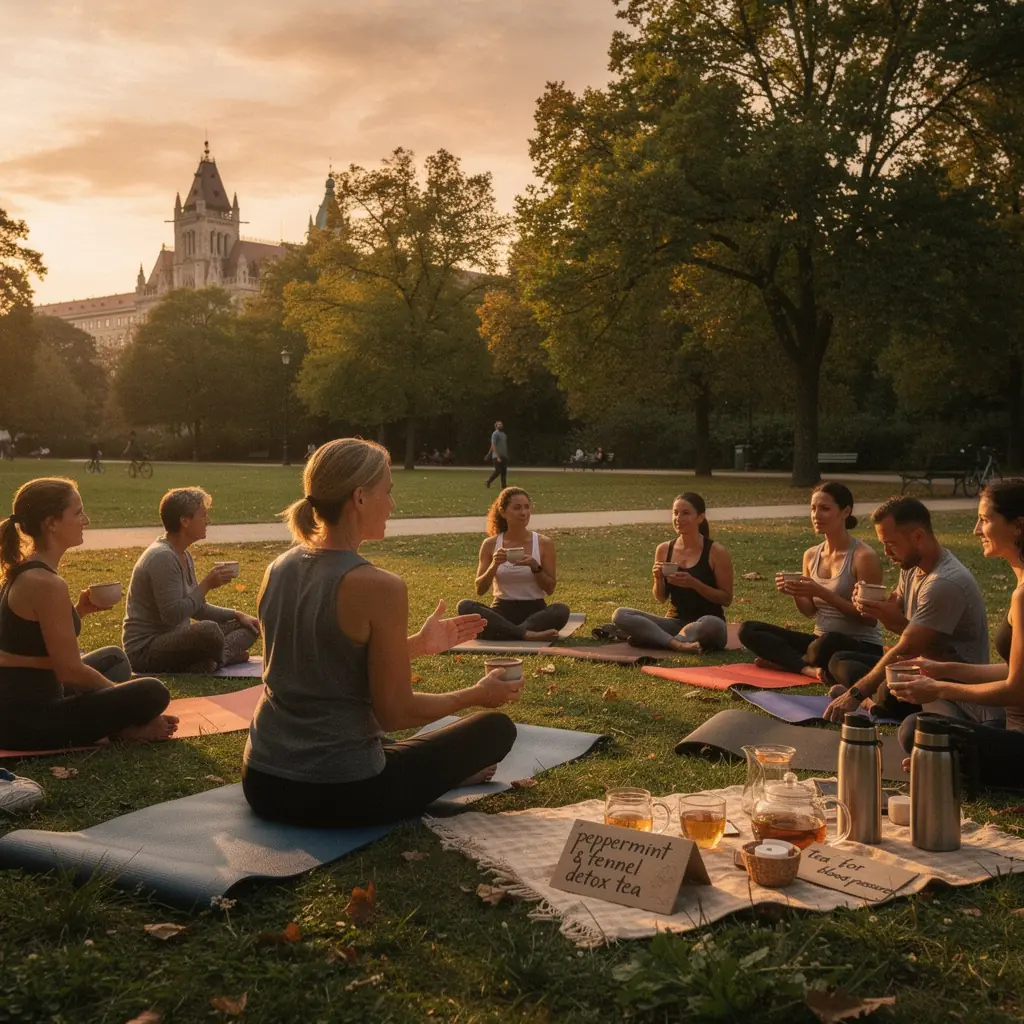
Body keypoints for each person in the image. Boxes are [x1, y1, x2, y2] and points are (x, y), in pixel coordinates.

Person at [242, 438, 518, 828]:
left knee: (398, 745)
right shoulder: (379, 586)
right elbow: (395, 713)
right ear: (359, 498)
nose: (392, 504)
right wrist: (478, 694)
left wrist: (418, 646)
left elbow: (320, 665)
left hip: (262, 781)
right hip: (342, 791)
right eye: (387, 492)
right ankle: (441, 774)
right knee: (495, 730)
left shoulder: (278, 567)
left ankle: (434, 771)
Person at [0, 477, 176, 751]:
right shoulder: (45, 583)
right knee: (152, 692)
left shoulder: (25, 570)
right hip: (26, 722)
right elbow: (70, 671)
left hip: (30, 699)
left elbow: (29, 636)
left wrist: (79, 611)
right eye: (78, 512)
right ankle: (126, 728)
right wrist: (122, 700)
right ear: (51, 523)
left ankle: (118, 725)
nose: (87, 520)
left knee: (114, 658)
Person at [889, 480, 1024, 788]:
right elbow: (1016, 670)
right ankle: (945, 761)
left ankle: (947, 764)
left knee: (916, 729)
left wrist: (939, 688)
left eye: (986, 520)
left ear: (1017, 526)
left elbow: (1016, 690)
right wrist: (945, 670)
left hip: (1019, 741)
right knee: (921, 728)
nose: (977, 529)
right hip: (1009, 728)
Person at [823, 495, 993, 723]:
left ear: (919, 536)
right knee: (839, 660)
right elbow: (896, 608)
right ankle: (874, 704)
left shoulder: (944, 582)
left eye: (891, 543)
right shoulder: (912, 567)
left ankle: (871, 704)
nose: (885, 552)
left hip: (951, 685)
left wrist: (854, 694)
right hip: (919, 666)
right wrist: (869, 603)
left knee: (887, 691)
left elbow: (907, 647)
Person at [739, 483, 884, 679]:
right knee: (748, 629)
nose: (816, 515)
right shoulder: (811, 555)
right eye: (813, 509)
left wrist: (822, 592)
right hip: (819, 640)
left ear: (846, 511)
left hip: (858, 645)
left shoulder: (863, 556)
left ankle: (787, 661)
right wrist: (795, 592)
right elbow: (809, 611)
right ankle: (805, 667)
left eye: (825, 509)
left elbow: (868, 619)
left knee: (826, 643)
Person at [123, 488, 260, 674]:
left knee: (249, 626)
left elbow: (196, 607)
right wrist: (206, 585)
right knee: (209, 631)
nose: (208, 522)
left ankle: (215, 660)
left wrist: (237, 614)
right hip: (147, 650)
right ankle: (218, 658)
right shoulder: (162, 557)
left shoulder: (184, 554)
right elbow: (172, 615)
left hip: (177, 641)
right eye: (203, 516)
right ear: (185, 521)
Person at [611, 492, 733, 653]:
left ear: (700, 517)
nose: (678, 518)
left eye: (686, 513)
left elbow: (726, 599)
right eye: (675, 513)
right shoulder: (663, 549)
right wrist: (658, 578)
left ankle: (657, 639)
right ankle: (677, 644)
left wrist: (694, 584)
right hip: (673, 624)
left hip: (706, 625)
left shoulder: (716, 551)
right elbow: (661, 597)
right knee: (621, 614)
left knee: (712, 623)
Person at [458, 487, 571, 641]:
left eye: (527, 507)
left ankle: (505, 632)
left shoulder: (544, 543)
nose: (524, 513)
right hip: (502, 609)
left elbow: (550, 589)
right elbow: (480, 589)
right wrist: (494, 566)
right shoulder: (490, 544)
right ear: (503, 512)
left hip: (535, 612)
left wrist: (535, 567)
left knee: (561, 610)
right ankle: (525, 634)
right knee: (465, 606)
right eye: (517, 508)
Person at [485, 420, 508, 489]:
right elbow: (493, 445)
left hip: (504, 456)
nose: (500, 425)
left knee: (504, 472)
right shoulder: (495, 434)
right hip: (496, 456)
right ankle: (488, 481)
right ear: (496, 426)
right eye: (499, 424)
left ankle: (503, 486)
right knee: (498, 471)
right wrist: (495, 456)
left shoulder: (504, 435)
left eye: (501, 424)